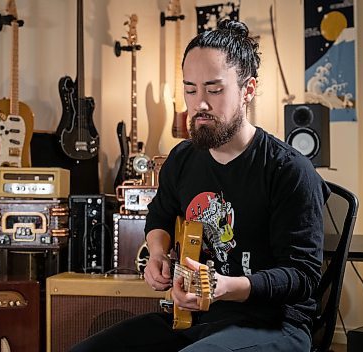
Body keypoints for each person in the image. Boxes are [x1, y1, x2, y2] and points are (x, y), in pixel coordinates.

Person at [70, 19, 330, 352]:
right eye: (190, 90)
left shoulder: (289, 170)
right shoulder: (182, 159)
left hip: (274, 324)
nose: (200, 104)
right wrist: (158, 255)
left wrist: (226, 287)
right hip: (195, 319)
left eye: (214, 89)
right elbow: (159, 216)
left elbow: (302, 276)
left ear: (247, 90)